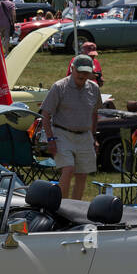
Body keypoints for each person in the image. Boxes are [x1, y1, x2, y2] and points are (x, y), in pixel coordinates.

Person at [40, 54, 100, 201]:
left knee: (82, 174)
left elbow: (94, 114)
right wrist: (50, 139)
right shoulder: (59, 87)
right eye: (79, 71)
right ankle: (61, 205)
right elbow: (45, 114)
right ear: (72, 69)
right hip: (62, 133)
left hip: (85, 136)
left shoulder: (94, 88)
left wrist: (93, 137)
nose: (82, 75)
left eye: (86, 72)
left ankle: (75, 207)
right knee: (68, 169)